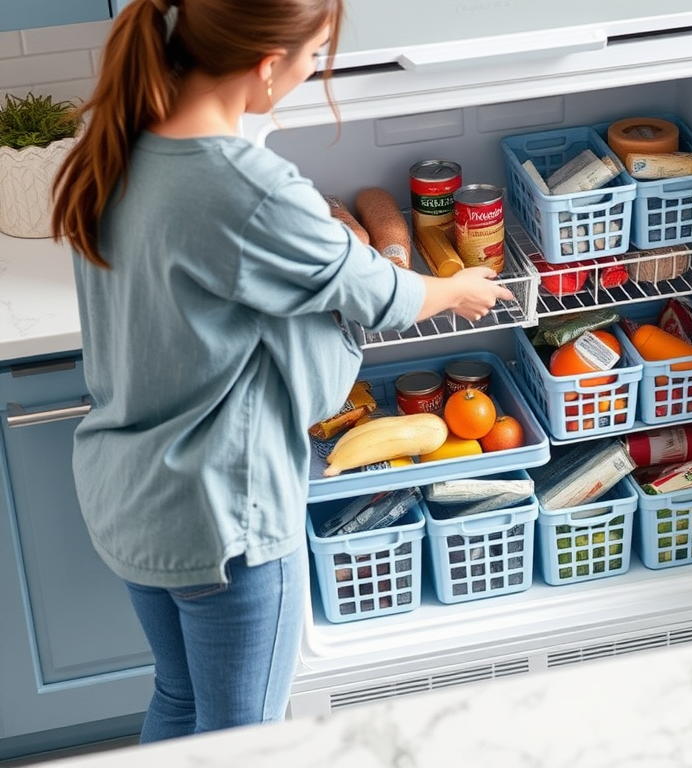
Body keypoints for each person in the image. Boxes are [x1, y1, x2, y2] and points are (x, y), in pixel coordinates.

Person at [50, 0, 513, 743]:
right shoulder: (242, 186)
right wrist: (456, 289)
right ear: (268, 64)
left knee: (179, 702)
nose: (307, 75)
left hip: (131, 492)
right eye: (311, 58)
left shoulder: (117, 135)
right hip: (221, 519)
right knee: (243, 740)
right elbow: (381, 294)